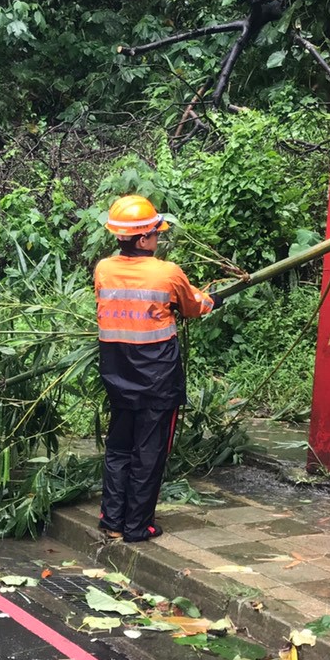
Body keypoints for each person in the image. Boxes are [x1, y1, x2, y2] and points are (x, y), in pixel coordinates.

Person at [94, 195, 215, 543]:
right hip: (157, 380)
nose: (158, 240)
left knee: (119, 449)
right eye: (156, 234)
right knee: (149, 452)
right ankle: (137, 526)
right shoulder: (167, 272)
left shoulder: (103, 269)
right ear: (143, 238)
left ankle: (112, 520)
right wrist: (214, 298)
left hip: (117, 375)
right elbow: (194, 306)